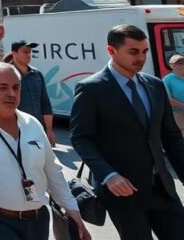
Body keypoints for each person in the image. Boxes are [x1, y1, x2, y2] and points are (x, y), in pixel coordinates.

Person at [70, 24, 184, 239]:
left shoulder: (155, 85)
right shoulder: (91, 89)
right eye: (133, 52)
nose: (141, 58)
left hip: (163, 190)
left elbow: (171, 137)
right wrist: (109, 175)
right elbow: (80, 138)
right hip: (123, 194)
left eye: (144, 51)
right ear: (111, 51)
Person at [0, 63, 91, 240]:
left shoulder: (32, 124)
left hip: (37, 219)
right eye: (3, 87)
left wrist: (72, 209)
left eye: (16, 87)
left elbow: (52, 170)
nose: (11, 93)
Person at [8, 41, 56, 146]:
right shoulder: (6, 74)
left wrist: (49, 130)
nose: (29, 55)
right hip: (15, 130)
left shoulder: (37, 74)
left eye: (30, 52)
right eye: (25, 52)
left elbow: (45, 103)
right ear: (14, 53)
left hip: (37, 129)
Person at [164, 53, 184, 132]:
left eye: (182, 63)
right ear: (171, 65)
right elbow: (168, 99)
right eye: (178, 63)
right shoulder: (167, 79)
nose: (181, 65)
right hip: (178, 113)